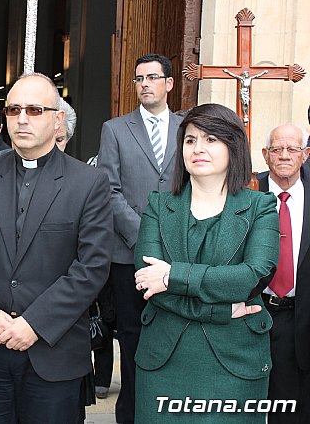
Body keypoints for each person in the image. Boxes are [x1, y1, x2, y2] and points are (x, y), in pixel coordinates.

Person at [0, 73, 113, 423]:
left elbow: (91, 266)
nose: (21, 119)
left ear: (58, 118)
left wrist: (35, 323)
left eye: (34, 110)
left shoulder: (89, 183)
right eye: (14, 109)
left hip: (54, 354)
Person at [133, 103, 279, 422]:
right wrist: (221, 309)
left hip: (236, 364)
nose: (198, 148)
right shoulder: (158, 206)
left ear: (233, 146)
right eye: (190, 139)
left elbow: (253, 276)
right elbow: (149, 282)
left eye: (211, 139)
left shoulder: (261, 207)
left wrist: (174, 276)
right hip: (164, 362)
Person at [96, 53, 182, 424]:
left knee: (174, 336)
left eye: (151, 77)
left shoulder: (188, 128)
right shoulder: (115, 129)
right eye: (138, 79)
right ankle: (130, 413)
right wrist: (144, 236)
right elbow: (110, 191)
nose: (144, 84)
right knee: (131, 339)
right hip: (127, 256)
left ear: (169, 83)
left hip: (178, 255)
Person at [259, 124, 310, 423]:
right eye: (277, 149)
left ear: (305, 154)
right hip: (253, 313)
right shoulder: (246, 193)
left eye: (292, 149)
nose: (284, 156)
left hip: (299, 320)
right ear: (265, 155)